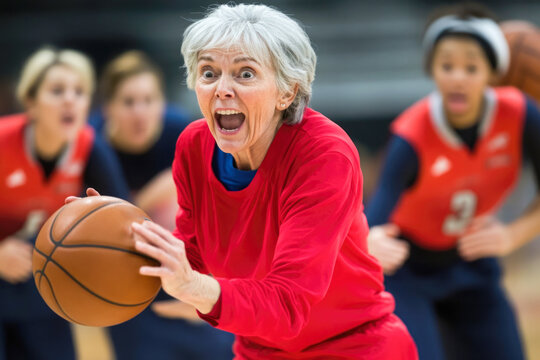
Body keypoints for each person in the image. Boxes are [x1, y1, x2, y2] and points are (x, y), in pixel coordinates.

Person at [75, 4, 418, 359]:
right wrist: (114, 236)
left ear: (286, 92)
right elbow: (192, 255)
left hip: (354, 346)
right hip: (259, 349)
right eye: (209, 72)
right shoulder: (194, 145)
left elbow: (288, 306)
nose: (222, 89)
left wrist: (195, 289)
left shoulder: (324, 154)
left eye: (245, 74)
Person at [365, 4, 540, 360]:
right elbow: (374, 220)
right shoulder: (411, 135)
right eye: (447, 66)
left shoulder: (521, 113)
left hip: (471, 261)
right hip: (408, 271)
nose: (458, 77)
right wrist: (369, 239)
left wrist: (512, 235)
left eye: (471, 67)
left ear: (494, 72)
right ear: (432, 70)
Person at [91, 50, 234, 360]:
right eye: (129, 102)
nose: (140, 112)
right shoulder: (92, 144)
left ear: (162, 103)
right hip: (130, 281)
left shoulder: (182, 131)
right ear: (108, 108)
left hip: (192, 264)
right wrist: (155, 192)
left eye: (149, 100)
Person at [0, 47, 129, 360]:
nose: (71, 99)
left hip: (41, 279)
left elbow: (127, 221)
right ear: (31, 102)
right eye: (57, 91)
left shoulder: (90, 148)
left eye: (80, 91)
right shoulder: (2, 141)